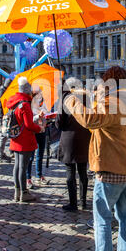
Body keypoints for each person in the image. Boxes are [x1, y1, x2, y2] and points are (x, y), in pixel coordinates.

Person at [63, 66, 126, 251]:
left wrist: (70, 101)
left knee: (102, 218)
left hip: (110, 168)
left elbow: (91, 120)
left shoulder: (112, 102)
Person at [6, 77, 44, 203]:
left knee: (17, 166)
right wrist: (40, 128)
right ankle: (24, 192)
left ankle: (17, 192)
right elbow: (28, 125)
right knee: (23, 167)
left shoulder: (15, 102)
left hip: (16, 138)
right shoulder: (25, 104)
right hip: (25, 139)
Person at [55, 77, 91, 211]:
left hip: (69, 138)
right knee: (83, 171)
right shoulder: (88, 98)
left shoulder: (66, 98)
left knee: (70, 171)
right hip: (85, 137)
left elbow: (59, 122)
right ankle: (83, 201)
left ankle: (73, 203)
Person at [26, 84, 49, 189]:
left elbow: (45, 115)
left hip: (42, 130)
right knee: (30, 156)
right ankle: (28, 178)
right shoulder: (28, 104)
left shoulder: (43, 103)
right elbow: (29, 120)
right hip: (33, 132)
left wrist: (48, 118)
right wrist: (37, 116)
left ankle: (39, 175)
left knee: (40, 154)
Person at [0, 78, 12, 163]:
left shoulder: (4, 90)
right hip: (1, 116)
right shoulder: (1, 91)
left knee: (4, 136)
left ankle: (2, 153)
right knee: (2, 135)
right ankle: (0, 155)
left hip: (3, 116)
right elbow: (1, 104)